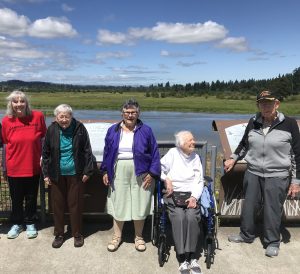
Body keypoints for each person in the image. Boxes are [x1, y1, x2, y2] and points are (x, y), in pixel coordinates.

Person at [224, 90, 300, 257]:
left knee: (272, 209)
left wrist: (296, 181)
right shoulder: (254, 121)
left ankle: (272, 241)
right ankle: (246, 235)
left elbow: (297, 154)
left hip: (277, 174)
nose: (265, 106)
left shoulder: (289, 124)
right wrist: (233, 158)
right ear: (258, 105)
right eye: (262, 103)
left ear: (277, 104)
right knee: (249, 206)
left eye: (269, 102)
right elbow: (244, 144)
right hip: (253, 172)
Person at [100, 99, 161, 252]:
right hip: (118, 169)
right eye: (127, 112)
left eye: (133, 112)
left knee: (140, 202)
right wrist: (106, 170)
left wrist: (153, 173)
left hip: (141, 170)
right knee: (119, 201)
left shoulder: (146, 130)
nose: (130, 115)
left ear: (138, 114)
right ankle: (117, 236)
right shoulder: (113, 130)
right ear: (122, 114)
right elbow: (107, 151)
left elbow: (154, 153)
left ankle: (138, 236)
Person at [42, 104, 94, 248]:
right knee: (57, 205)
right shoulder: (52, 129)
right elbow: (45, 153)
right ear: (56, 117)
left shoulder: (80, 128)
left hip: (76, 174)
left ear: (71, 116)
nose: (64, 119)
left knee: (75, 205)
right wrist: (46, 173)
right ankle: (59, 234)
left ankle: (77, 234)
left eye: (67, 116)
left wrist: (87, 171)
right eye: (61, 116)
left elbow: (87, 151)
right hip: (56, 174)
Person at [1, 90, 47, 239]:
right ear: (11, 104)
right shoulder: (6, 121)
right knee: (16, 198)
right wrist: (4, 166)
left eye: (22, 101)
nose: (19, 104)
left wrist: (44, 159)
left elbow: (44, 138)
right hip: (14, 166)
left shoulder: (37, 116)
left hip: (33, 165)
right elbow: (6, 144)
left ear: (26, 102)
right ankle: (16, 223)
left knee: (32, 197)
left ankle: (30, 222)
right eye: (15, 101)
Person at [160, 130, 204, 274]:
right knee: (179, 217)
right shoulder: (173, 153)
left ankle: (192, 256)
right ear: (181, 144)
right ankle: (182, 258)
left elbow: (199, 180)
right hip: (174, 193)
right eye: (190, 140)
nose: (194, 142)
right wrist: (166, 179)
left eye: (193, 139)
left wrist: (194, 197)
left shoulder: (196, 157)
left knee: (192, 217)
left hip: (191, 195)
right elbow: (158, 168)